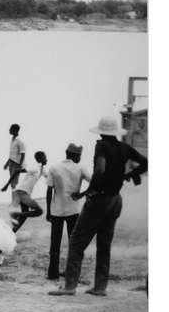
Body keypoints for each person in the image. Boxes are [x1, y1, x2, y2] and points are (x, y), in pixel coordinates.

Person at [49, 115, 148, 297]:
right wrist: (128, 176)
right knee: (104, 245)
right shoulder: (124, 147)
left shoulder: (101, 146)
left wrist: (87, 192)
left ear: (101, 132)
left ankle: (70, 286)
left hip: (100, 200)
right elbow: (146, 162)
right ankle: (100, 287)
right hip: (116, 200)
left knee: (77, 242)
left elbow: (100, 169)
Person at [44, 143, 91, 280]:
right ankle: (72, 272)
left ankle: (53, 273)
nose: (80, 158)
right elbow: (94, 182)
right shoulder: (80, 168)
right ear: (74, 155)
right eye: (79, 156)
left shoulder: (54, 167)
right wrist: (82, 194)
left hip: (56, 210)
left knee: (55, 243)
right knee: (73, 242)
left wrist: (48, 210)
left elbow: (49, 190)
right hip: (73, 210)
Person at [10, 151, 48, 231]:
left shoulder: (42, 169)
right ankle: (14, 214)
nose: (46, 159)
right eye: (44, 158)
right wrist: (6, 185)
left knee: (24, 215)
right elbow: (18, 171)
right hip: (22, 192)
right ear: (39, 159)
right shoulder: (35, 168)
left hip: (24, 193)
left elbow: (48, 178)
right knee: (39, 211)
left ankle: (12, 233)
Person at [1, 123, 26, 200]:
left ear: (14, 130)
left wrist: (20, 165)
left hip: (16, 164)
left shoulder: (19, 141)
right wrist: (6, 163)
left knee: (14, 183)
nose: (9, 130)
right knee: (12, 183)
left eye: (10, 129)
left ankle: (16, 202)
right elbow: (12, 154)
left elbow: (23, 154)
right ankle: (14, 200)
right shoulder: (12, 140)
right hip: (11, 163)